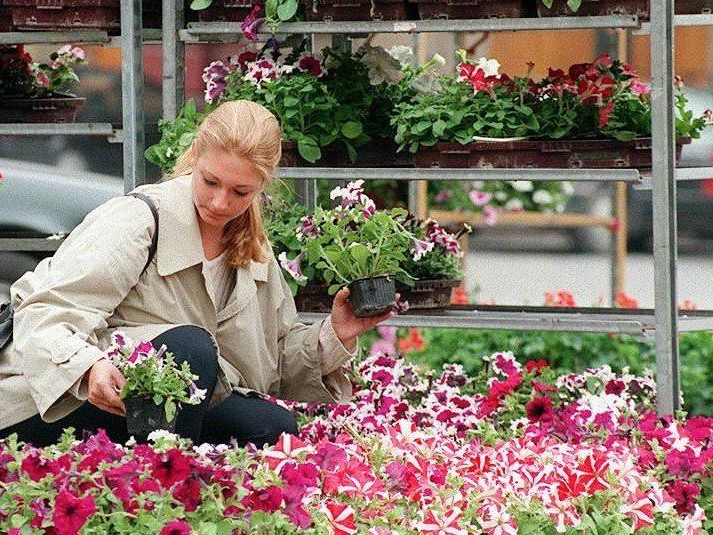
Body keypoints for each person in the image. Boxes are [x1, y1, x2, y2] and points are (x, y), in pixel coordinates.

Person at [0, 100, 394, 447]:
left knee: (272, 427)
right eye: (210, 182)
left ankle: (175, 476)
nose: (221, 202)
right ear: (195, 158)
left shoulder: (253, 248)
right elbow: (45, 314)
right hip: (48, 401)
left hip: (151, 410)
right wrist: (88, 368)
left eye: (241, 192)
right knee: (190, 349)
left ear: (262, 186)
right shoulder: (139, 220)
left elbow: (273, 361)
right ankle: (161, 496)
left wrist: (337, 333)